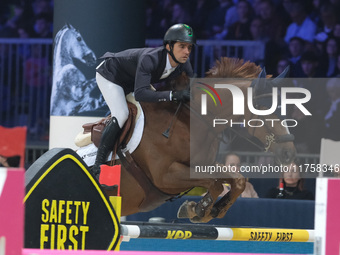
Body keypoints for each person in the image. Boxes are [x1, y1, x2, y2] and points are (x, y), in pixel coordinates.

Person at [93, 24, 196, 178]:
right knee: (121, 114)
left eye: (189, 47)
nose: (187, 52)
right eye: (182, 46)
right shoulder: (150, 59)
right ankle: (98, 165)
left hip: (134, 80)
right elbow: (141, 94)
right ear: (168, 47)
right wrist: (172, 95)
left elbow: (192, 88)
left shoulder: (183, 64)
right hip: (111, 75)